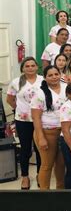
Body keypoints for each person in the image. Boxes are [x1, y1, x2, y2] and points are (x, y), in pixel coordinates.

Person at [6, 57, 43, 189]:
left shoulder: (43, 80)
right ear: (23, 68)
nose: (30, 68)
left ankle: (40, 174)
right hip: (23, 120)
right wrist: (19, 109)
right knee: (25, 149)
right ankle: (25, 177)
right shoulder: (16, 82)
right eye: (27, 66)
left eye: (33, 65)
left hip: (40, 120)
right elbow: (9, 99)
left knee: (40, 149)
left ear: (37, 67)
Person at [30, 66, 66, 189]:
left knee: (61, 164)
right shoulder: (40, 93)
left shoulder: (66, 88)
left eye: (56, 74)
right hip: (47, 132)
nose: (54, 77)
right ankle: (44, 194)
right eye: (50, 75)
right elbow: (36, 118)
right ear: (45, 77)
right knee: (47, 165)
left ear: (60, 74)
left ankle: (60, 191)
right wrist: (41, 138)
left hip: (63, 133)